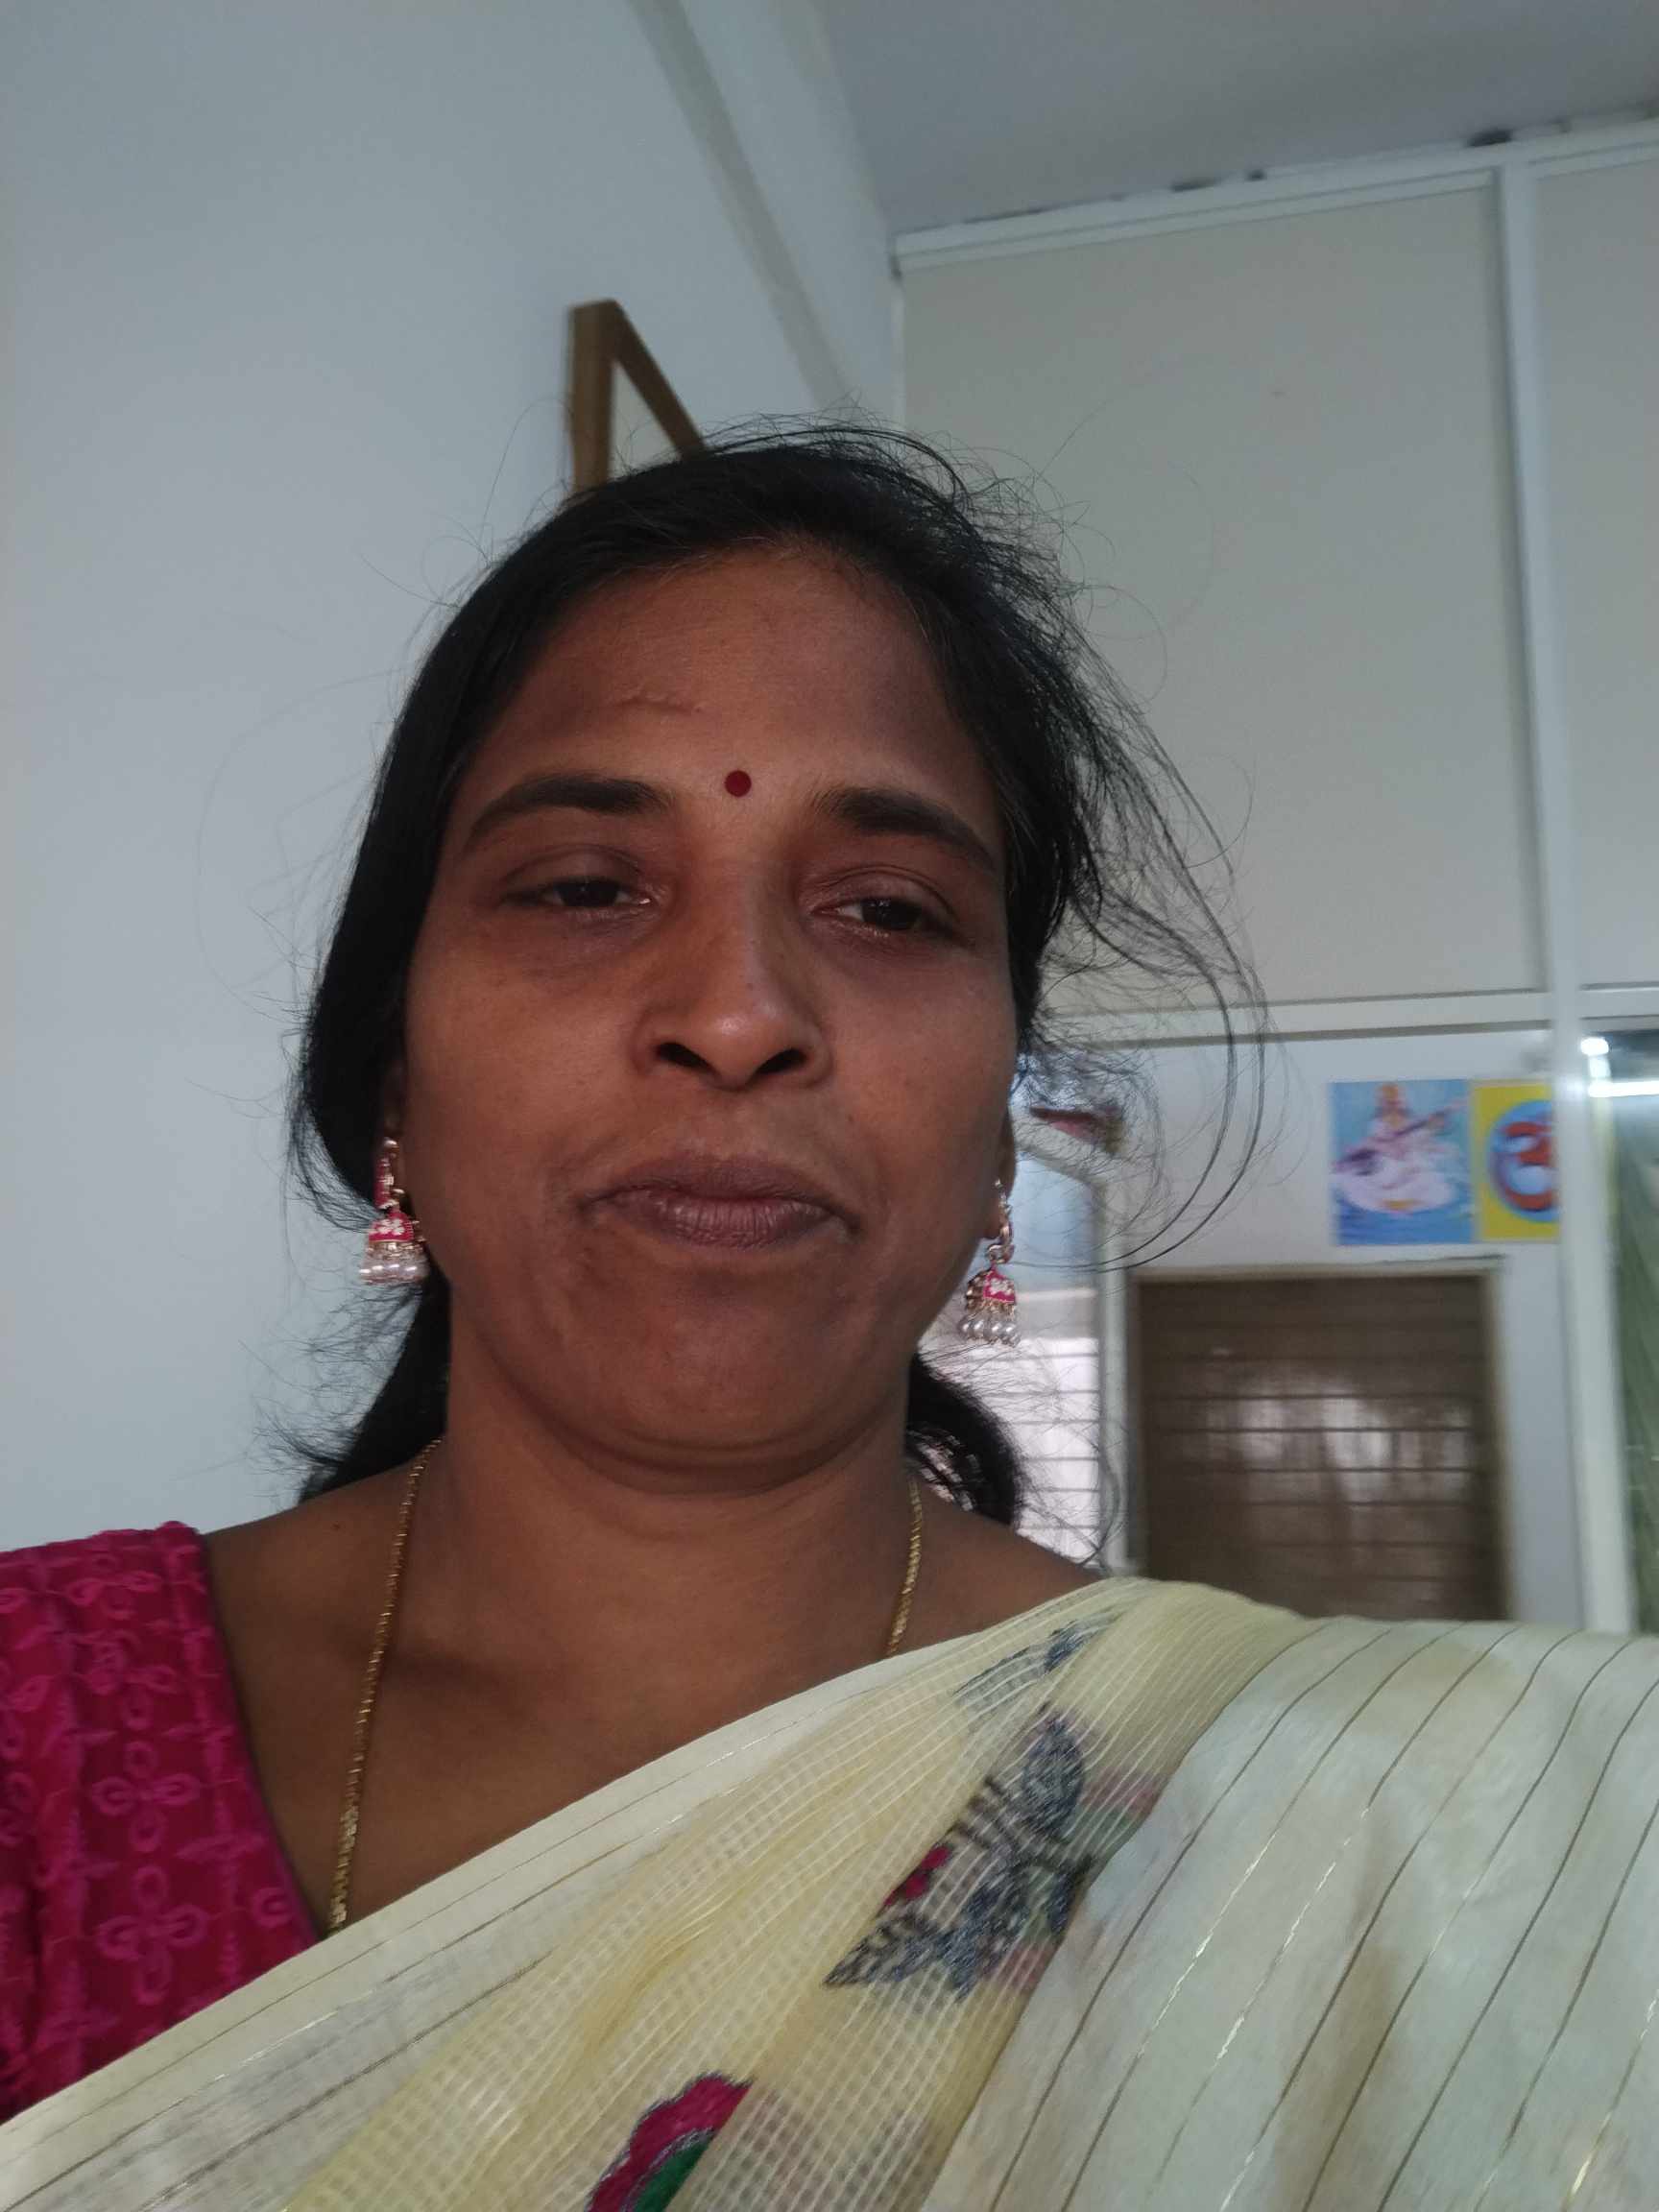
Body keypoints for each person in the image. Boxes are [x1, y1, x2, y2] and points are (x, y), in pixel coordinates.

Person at [4, 430, 1657, 2210]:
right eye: (585, 888)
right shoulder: (40, 1741)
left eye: (885, 909)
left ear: (1000, 1131)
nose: (737, 1016)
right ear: (394, 1075)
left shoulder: (1353, 1819)